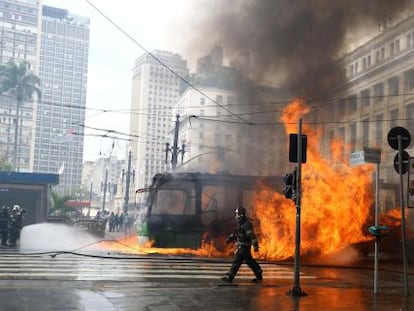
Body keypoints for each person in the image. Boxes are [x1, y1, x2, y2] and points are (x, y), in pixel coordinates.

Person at [221, 206, 263, 283]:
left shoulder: (246, 225)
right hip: (243, 247)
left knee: (237, 261)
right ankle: (258, 273)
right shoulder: (241, 224)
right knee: (250, 261)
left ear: (241, 215)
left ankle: (230, 277)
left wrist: (255, 246)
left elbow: (251, 236)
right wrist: (229, 239)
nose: (236, 216)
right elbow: (235, 233)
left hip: (244, 247)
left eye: (237, 214)